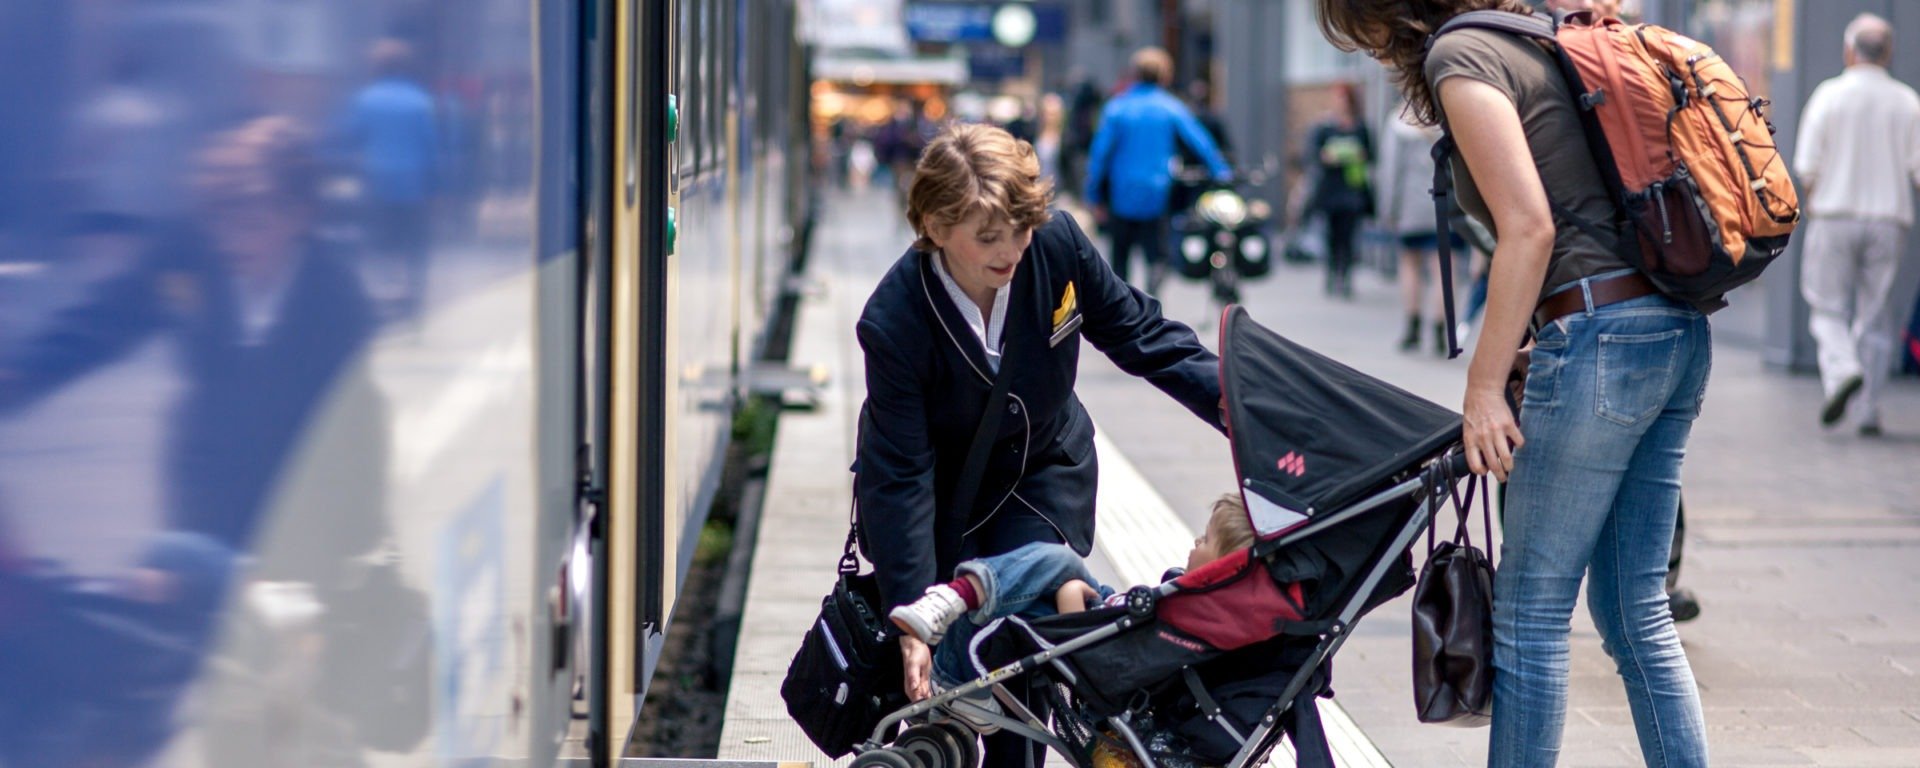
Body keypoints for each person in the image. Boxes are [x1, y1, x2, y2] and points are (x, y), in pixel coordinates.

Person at [1317, 2, 1714, 766]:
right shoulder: (1537, 37)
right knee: (1634, 612)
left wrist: (1483, 385)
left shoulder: (1461, 55)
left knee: (1531, 615)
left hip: (1601, 334)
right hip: (1669, 330)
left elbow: (1529, 227)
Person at [855, 121, 1226, 767]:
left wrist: (1237, 403)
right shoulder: (895, 320)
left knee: (1023, 640)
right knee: (953, 661)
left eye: (1021, 229)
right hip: (949, 494)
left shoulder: (1054, 246)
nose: (1011, 251)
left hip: (1044, 471)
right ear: (937, 229)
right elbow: (900, 473)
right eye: (988, 237)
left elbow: (1138, 331)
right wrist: (909, 613)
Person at [889, 495, 1255, 722]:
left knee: (1058, 562)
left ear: (1222, 570)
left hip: (1101, 650)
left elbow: (1111, 655)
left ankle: (955, 601)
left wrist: (1071, 598)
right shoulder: (1205, 616)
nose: (1196, 540)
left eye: (1206, 539)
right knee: (1034, 573)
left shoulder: (1190, 613)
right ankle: (957, 604)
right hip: (1111, 623)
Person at [1793, 12, 1920, 437]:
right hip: (1889, 218)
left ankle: (1843, 369)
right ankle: (1868, 409)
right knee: (1875, 312)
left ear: (1849, 50)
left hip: (1833, 214)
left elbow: (1806, 166)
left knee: (1827, 306)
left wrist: (1814, 206)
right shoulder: (1907, 101)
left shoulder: (1828, 96)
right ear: (1889, 52)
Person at [1084, 47, 1232, 295]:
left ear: (1134, 74)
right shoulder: (1171, 107)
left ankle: (1122, 308)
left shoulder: (1117, 108)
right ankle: (1153, 296)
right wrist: (1221, 172)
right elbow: (1201, 143)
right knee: (1157, 254)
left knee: (1120, 257)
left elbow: (1100, 155)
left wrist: (1092, 194)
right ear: (1165, 75)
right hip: (1158, 192)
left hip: (1122, 193)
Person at [340, 38, 438, 320]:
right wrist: (435, 188)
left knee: (379, 240)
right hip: (413, 185)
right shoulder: (420, 101)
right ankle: (413, 293)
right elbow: (430, 146)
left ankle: (383, 293)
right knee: (414, 241)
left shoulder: (365, 99)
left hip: (378, 181)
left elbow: (351, 136)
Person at [1378, 110, 1461, 354]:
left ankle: (1412, 327)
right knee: (1445, 268)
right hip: (1447, 205)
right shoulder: (1449, 116)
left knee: (1410, 265)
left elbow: (1390, 172)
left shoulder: (1398, 123)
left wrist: (1389, 211)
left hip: (1411, 207)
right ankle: (1440, 330)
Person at [1304, 82, 1374, 299]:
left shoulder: (1360, 127)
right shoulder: (1324, 127)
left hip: (1352, 190)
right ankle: (1332, 273)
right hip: (1330, 190)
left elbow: (1371, 154)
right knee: (1331, 235)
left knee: (1349, 236)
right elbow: (1314, 155)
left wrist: (1355, 155)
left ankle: (1346, 275)